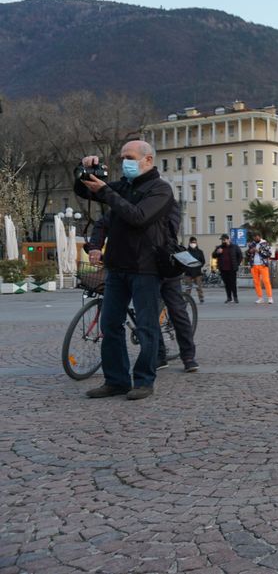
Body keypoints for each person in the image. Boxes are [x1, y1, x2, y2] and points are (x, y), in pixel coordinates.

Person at [73, 141, 174, 400]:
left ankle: (143, 381)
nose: (124, 162)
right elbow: (86, 192)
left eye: (129, 157)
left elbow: (138, 216)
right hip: (117, 267)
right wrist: (84, 170)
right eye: (122, 158)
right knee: (110, 324)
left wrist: (107, 192)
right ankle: (115, 381)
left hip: (146, 268)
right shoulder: (123, 186)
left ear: (147, 160)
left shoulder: (160, 190)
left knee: (146, 327)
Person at [87, 204, 198, 374]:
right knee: (147, 314)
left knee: (177, 310)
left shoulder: (163, 199)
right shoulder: (125, 203)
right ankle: (158, 355)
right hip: (140, 268)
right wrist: (95, 246)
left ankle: (188, 355)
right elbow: (103, 224)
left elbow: (170, 228)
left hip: (164, 264)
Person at [213, 234, 243, 303]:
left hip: (232, 269)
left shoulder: (234, 247)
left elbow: (240, 256)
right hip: (223, 269)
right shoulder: (219, 247)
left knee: (233, 284)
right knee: (227, 284)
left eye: (224, 240)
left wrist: (237, 264)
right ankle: (229, 297)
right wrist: (217, 252)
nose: (223, 241)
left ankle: (235, 297)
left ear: (228, 239)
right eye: (222, 240)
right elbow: (213, 255)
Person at [246, 233, 274, 304]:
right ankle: (260, 298)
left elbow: (269, 254)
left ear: (260, 237)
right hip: (254, 265)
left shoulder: (265, 243)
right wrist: (250, 252)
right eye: (254, 237)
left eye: (256, 237)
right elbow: (247, 254)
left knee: (266, 281)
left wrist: (259, 251)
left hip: (263, 265)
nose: (255, 238)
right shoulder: (251, 244)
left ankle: (270, 298)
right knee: (256, 282)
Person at [182, 236, 205, 304]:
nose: (193, 244)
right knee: (188, 287)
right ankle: (187, 299)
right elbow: (183, 261)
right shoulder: (186, 251)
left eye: (194, 242)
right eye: (192, 242)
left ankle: (201, 298)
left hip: (197, 272)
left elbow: (203, 261)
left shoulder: (200, 252)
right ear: (189, 243)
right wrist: (186, 268)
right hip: (188, 272)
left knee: (199, 287)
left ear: (196, 243)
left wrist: (199, 266)